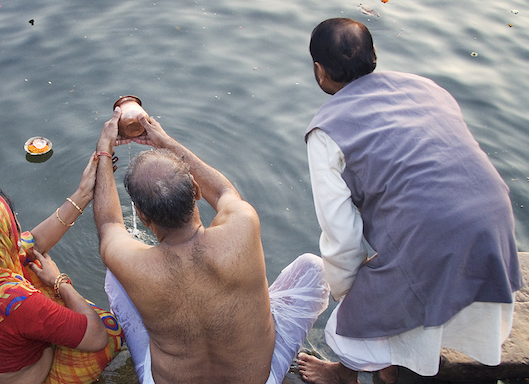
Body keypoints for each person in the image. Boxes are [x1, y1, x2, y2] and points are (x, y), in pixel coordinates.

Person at [297, 17, 523, 384]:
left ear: (319, 71)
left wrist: (349, 295)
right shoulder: (425, 87)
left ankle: (349, 372)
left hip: (435, 235)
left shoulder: (326, 131)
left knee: (353, 320)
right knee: (404, 283)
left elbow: (341, 238)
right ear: (374, 55)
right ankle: (393, 363)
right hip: (494, 220)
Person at [92, 107, 330, 383]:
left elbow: (110, 224)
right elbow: (224, 191)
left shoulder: (131, 263)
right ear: (195, 190)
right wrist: (164, 141)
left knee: (116, 275)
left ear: (142, 216)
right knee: (313, 267)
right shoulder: (242, 224)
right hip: (261, 377)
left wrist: (104, 150)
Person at [0, 154, 124, 384]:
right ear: (4, 233)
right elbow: (96, 338)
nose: (18, 229)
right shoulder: (16, 301)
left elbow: (31, 242)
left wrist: (83, 193)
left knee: (29, 261)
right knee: (110, 330)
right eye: (13, 222)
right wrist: (59, 281)